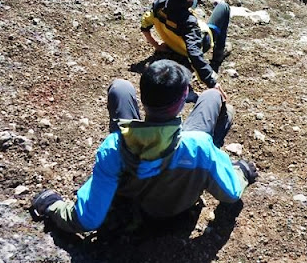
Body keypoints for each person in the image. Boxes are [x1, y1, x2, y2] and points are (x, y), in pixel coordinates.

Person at [31, 60, 257, 233]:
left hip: (133, 193)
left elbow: (88, 219)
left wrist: (53, 206)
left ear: (143, 97)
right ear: (183, 99)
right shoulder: (199, 147)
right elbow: (230, 193)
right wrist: (241, 172)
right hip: (174, 206)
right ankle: (222, 111)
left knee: (120, 88)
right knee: (211, 96)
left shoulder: (114, 148)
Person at [141, 0, 231, 92]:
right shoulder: (189, 24)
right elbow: (194, 53)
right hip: (198, 43)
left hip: (173, 43)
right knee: (224, 8)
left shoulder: (159, 5)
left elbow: (145, 23)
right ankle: (218, 55)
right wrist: (211, 81)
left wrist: (156, 45)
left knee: (192, 3)